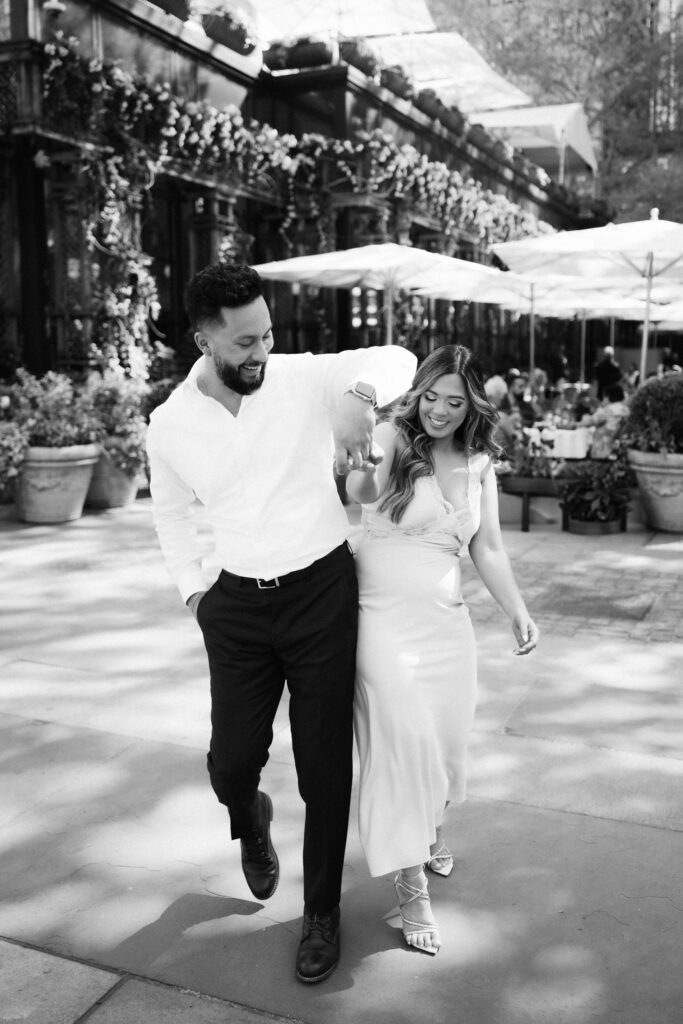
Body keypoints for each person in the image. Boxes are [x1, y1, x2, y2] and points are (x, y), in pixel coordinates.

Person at [145, 262, 416, 984]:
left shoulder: (302, 376)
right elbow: (170, 515)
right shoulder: (169, 424)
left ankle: (320, 912)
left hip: (320, 592)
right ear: (202, 338)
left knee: (325, 766)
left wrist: (359, 398)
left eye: (264, 334)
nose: (258, 351)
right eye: (240, 342)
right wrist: (194, 597)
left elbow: (400, 358)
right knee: (231, 762)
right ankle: (248, 815)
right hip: (234, 605)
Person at [345, 344, 538, 957]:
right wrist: (365, 460)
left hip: (446, 628)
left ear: (471, 405)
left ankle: (428, 831)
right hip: (381, 621)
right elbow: (359, 491)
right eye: (431, 397)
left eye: (454, 402)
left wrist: (518, 610)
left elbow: (488, 549)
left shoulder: (480, 461)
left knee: (442, 742)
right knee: (402, 740)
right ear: (418, 392)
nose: (439, 411)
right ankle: (410, 888)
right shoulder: (391, 436)